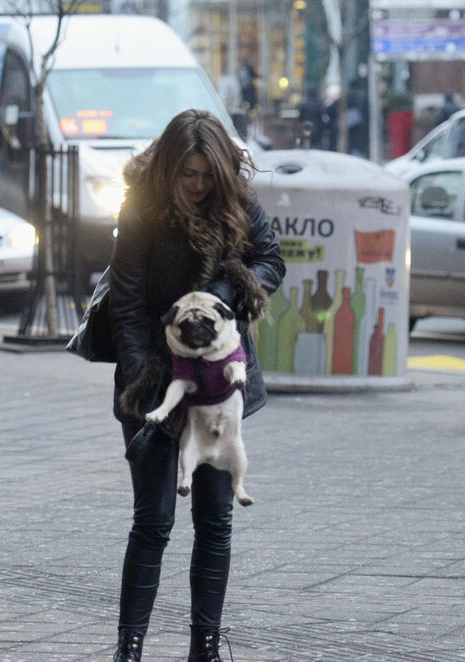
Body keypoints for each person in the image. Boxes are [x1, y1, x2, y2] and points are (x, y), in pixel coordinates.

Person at [107, 108, 285, 662]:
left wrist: (228, 292)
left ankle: (204, 648)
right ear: (169, 168)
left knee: (215, 521)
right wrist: (145, 383)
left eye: (208, 175)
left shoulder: (236, 202)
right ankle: (129, 650)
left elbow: (271, 260)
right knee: (153, 521)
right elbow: (125, 304)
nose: (199, 184)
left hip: (217, 384)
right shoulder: (142, 207)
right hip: (155, 382)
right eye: (188, 174)